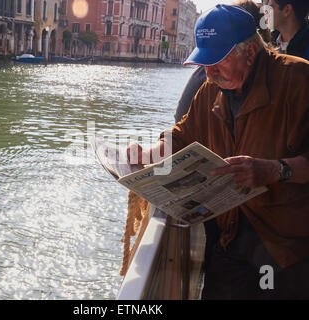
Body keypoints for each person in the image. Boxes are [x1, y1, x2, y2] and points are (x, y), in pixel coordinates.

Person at [128, 4, 309, 299]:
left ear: (250, 52)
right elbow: (182, 136)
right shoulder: (210, 90)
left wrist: (276, 170)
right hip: (229, 239)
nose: (209, 72)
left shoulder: (299, 80)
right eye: (205, 62)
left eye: (218, 61)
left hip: (286, 249)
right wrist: (146, 153)